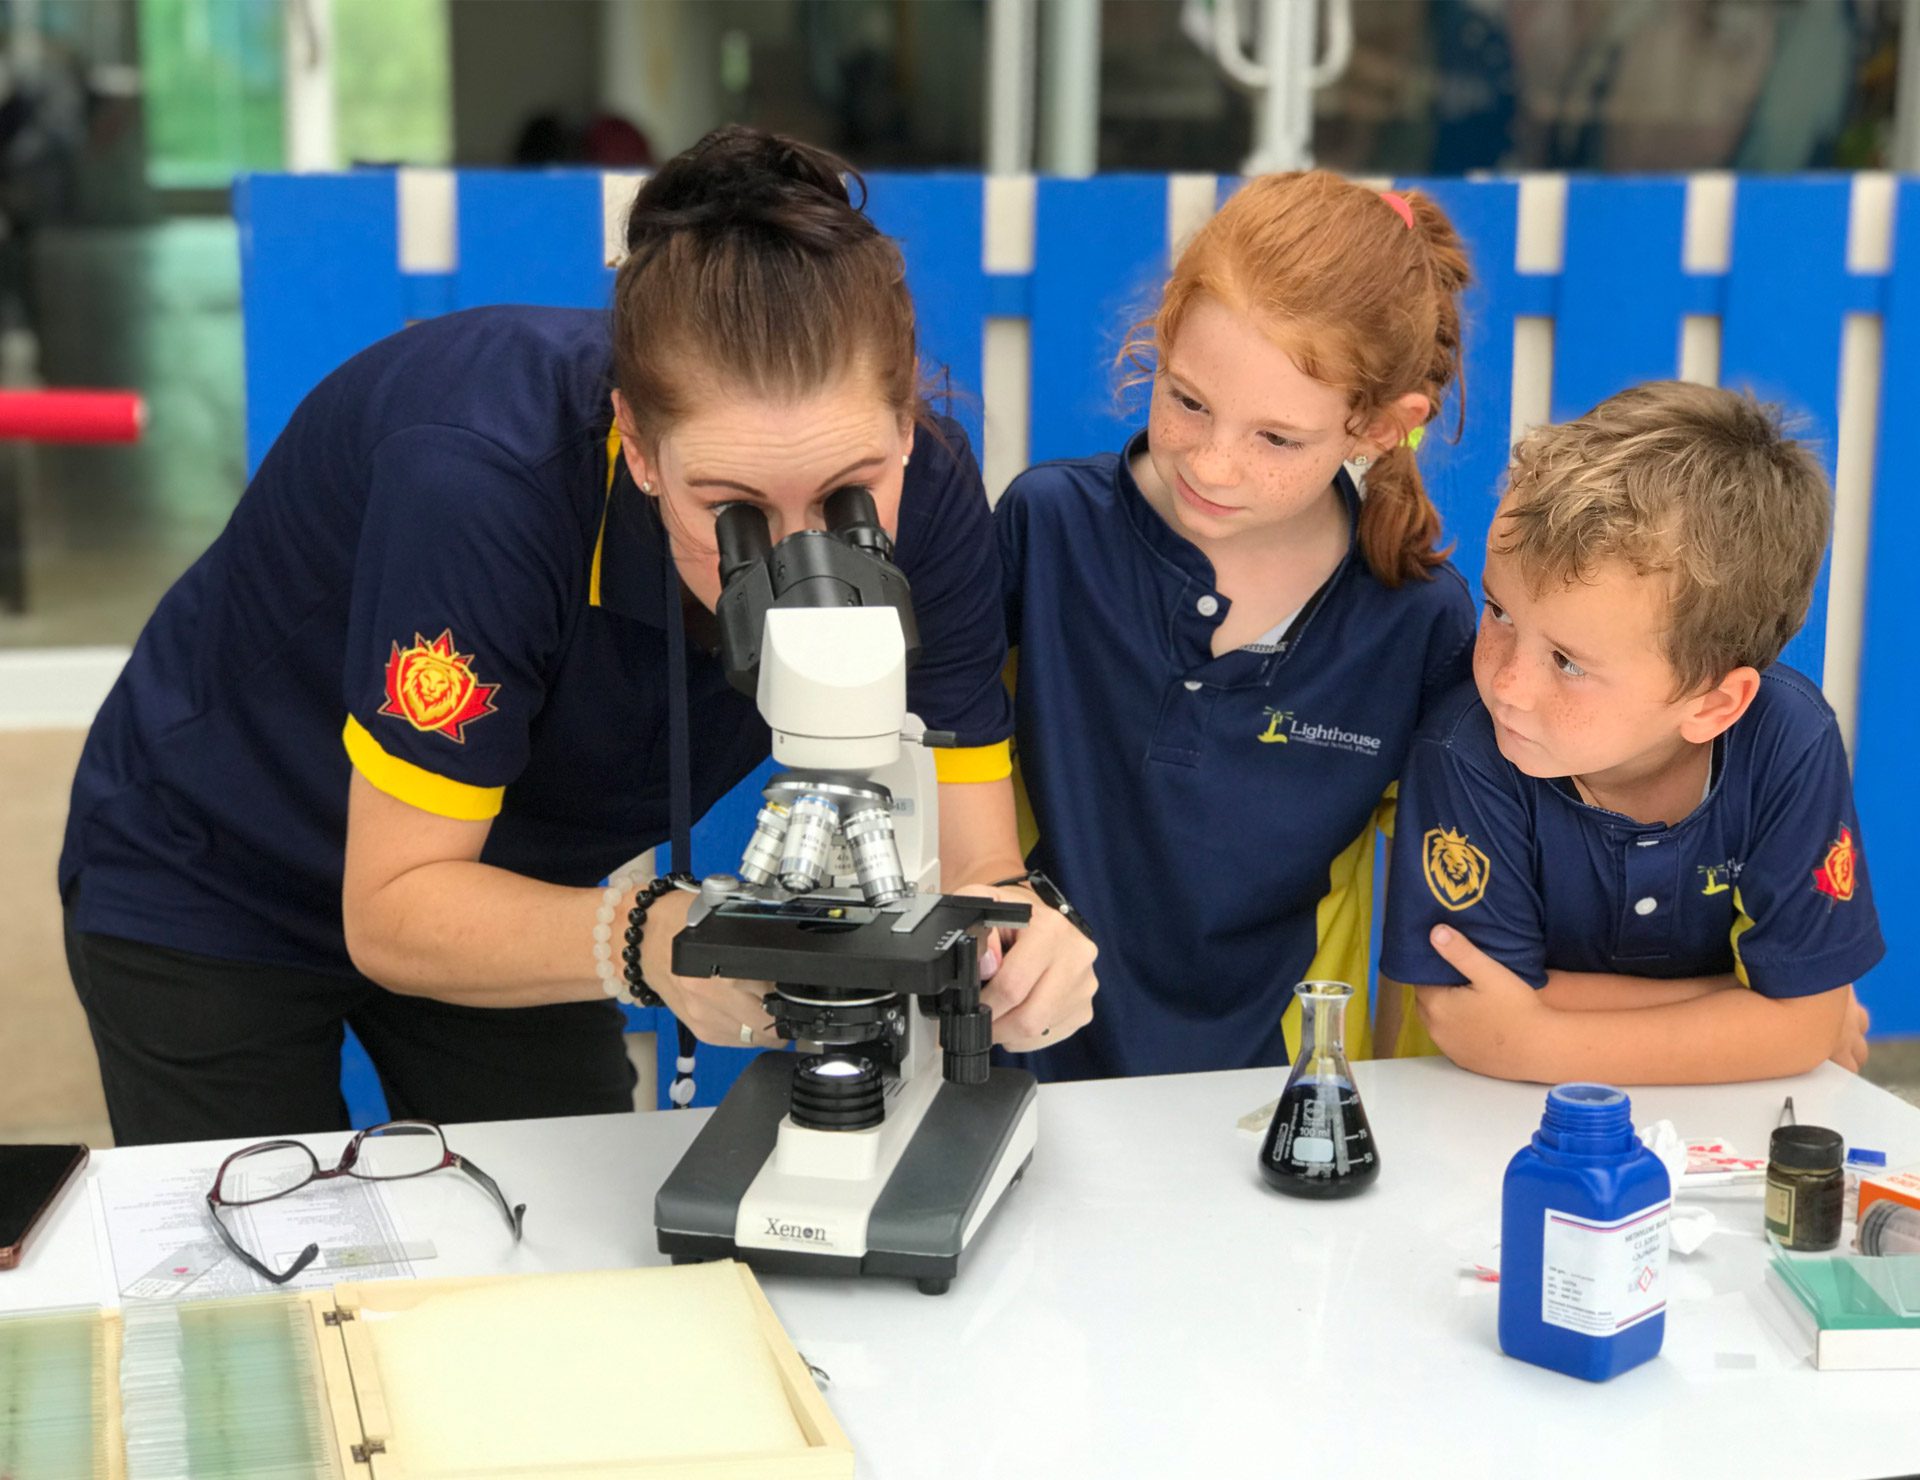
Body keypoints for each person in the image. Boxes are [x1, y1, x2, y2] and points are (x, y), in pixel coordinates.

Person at [59, 126, 1096, 1147]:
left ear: (907, 424)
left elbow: (977, 871)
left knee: (552, 1242)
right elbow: (394, 910)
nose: (798, 565)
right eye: (731, 508)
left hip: (501, 881)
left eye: (846, 496)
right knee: (263, 1258)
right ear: (637, 447)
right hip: (217, 867)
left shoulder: (936, 497)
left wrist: (1019, 936)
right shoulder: (479, 484)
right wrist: (655, 941)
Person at [995, 172, 1477, 1081]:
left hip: (1271, 1109)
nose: (1214, 463)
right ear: (1163, 339)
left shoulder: (1417, 623)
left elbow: (1444, 914)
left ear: (1378, 428)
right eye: (1187, 401)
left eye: (1276, 439)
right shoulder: (1047, 528)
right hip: (1022, 1086)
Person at [1379, 382, 1880, 1084]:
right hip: (1474, 1127)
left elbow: (1804, 1029)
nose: (1506, 684)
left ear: (1712, 705)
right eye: (1499, 611)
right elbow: (1468, 1018)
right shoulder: (1467, 749)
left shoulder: (1788, 742)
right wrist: (1762, 1005)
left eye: (1568, 661)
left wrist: (1535, 1038)